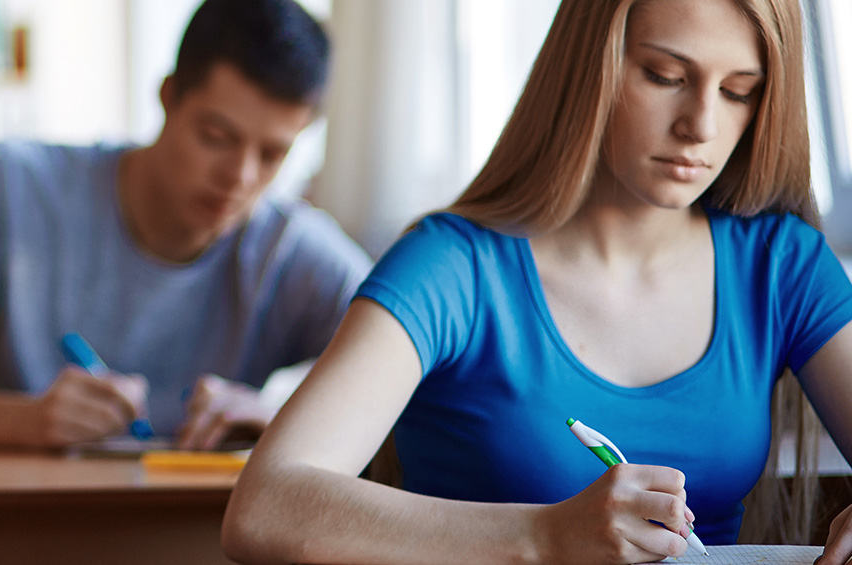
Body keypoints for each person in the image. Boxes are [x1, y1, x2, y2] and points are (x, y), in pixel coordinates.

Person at [222, 0, 852, 562]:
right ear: (589, 67)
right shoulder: (453, 266)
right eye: (665, 76)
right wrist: (547, 536)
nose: (701, 126)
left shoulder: (781, 265)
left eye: (740, 91)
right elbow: (266, 507)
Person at [0, 0, 369, 450]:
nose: (239, 176)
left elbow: (427, 385)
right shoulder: (12, 188)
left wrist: (281, 417)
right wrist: (24, 421)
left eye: (272, 154)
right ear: (168, 96)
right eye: (217, 137)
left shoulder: (294, 249)